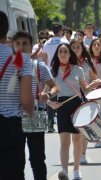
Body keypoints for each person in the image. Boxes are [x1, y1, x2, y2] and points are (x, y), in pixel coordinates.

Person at [48, 43, 100, 180]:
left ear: (70, 54)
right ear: (57, 55)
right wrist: (49, 103)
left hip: (77, 106)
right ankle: (64, 170)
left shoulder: (78, 69)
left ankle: (76, 170)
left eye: (65, 51)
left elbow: (85, 89)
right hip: (61, 107)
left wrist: (93, 85)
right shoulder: (52, 71)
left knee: (77, 140)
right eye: (60, 52)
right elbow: (45, 93)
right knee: (64, 141)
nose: (63, 54)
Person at [12, 31, 58, 180]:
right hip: (14, 117)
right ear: (13, 46)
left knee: (37, 158)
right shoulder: (9, 65)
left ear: (31, 46)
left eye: (25, 43)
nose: (21, 47)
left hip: (35, 114)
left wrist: (48, 95)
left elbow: (55, 87)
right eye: (17, 43)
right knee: (16, 160)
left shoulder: (39, 66)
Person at [0, 11, 34, 180]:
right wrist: (30, 112)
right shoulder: (20, 59)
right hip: (9, 126)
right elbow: (27, 101)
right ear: (6, 32)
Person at [70, 38, 98, 164]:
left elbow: (94, 79)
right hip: (71, 97)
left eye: (78, 47)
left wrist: (92, 91)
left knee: (84, 127)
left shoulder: (87, 62)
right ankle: (77, 151)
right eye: (74, 47)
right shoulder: (66, 62)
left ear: (82, 49)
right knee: (73, 128)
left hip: (85, 96)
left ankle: (83, 154)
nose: (76, 49)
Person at [42, 22, 69, 133]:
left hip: (50, 71)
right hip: (62, 70)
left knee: (50, 97)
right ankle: (66, 120)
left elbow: (44, 58)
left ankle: (50, 124)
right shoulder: (64, 41)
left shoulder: (47, 43)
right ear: (61, 30)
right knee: (63, 95)